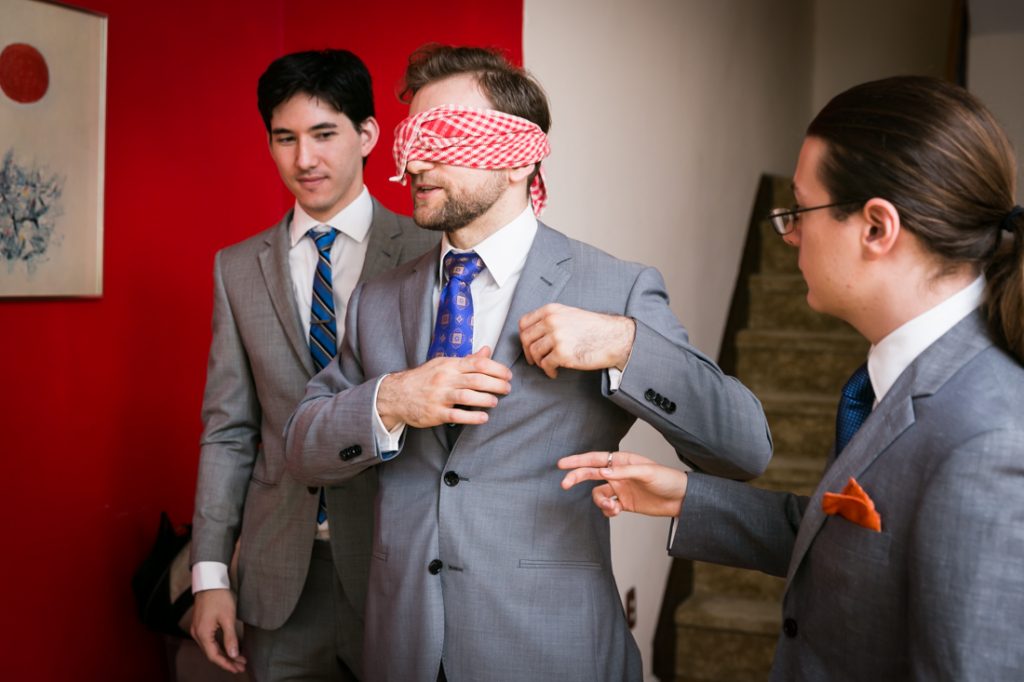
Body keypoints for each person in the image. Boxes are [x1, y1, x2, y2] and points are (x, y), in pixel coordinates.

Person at [283, 45, 773, 682]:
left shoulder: (615, 289)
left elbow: (744, 448)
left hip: (551, 650)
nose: (415, 161)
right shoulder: (379, 300)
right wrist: (393, 400)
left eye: (444, 137)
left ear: (518, 156)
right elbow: (302, 448)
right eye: (411, 139)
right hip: (400, 651)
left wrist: (629, 346)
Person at [560, 75, 1024, 680]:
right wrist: (688, 498)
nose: (789, 235)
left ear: (877, 228)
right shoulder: (897, 377)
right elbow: (863, 554)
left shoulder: (990, 439)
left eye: (800, 211)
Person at [189, 49, 437, 680]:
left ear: (368, 136)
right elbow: (228, 430)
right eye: (285, 138)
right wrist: (210, 574)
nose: (304, 159)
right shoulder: (236, 267)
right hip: (278, 575)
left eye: (324, 134)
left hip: (398, 563)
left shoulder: (431, 252)